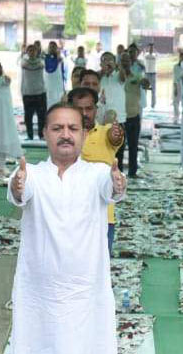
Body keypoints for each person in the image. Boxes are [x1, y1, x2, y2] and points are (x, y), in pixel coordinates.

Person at [5, 101, 126, 354]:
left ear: (84, 132)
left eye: (72, 127)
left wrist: (118, 184)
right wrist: (17, 185)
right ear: (46, 135)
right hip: (39, 298)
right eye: (57, 128)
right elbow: (17, 192)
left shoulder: (95, 174)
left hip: (84, 300)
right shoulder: (32, 174)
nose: (65, 135)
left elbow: (112, 188)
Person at [68, 87, 124, 249]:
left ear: (96, 109)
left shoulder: (106, 132)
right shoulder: (64, 136)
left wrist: (116, 134)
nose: (84, 113)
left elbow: (115, 138)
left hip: (102, 218)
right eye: (79, 109)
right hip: (69, 216)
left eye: (89, 108)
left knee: (100, 270)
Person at [118, 49, 149, 178]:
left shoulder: (137, 76)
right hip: (119, 118)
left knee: (133, 145)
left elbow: (146, 84)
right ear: (119, 62)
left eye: (127, 60)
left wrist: (146, 82)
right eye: (123, 60)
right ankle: (118, 172)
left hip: (134, 116)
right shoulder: (115, 77)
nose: (125, 62)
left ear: (131, 62)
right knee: (118, 148)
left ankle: (133, 172)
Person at [20, 44, 48, 140]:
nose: (32, 52)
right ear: (27, 52)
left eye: (34, 50)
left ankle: (41, 135)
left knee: (42, 116)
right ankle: (30, 135)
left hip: (40, 92)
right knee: (28, 117)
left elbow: (38, 66)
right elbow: (27, 66)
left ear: (37, 52)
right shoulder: (23, 61)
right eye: (30, 50)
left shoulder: (41, 61)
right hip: (27, 93)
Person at [44, 41, 67, 109]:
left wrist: (64, 88)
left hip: (58, 87)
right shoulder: (44, 59)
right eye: (50, 47)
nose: (52, 49)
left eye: (53, 47)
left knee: (58, 106)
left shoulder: (60, 59)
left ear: (56, 48)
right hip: (48, 87)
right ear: (48, 48)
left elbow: (62, 74)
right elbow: (49, 69)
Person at [143, 43, 158, 108]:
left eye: (152, 48)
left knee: (153, 90)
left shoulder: (155, 55)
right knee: (145, 89)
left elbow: (156, 56)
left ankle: (153, 104)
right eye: (150, 48)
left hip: (153, 73)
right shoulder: (145, 55)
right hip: (147, 73)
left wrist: (153, 50)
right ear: (148, 48)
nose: (151, 49)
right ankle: (144, 103)